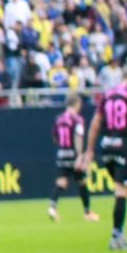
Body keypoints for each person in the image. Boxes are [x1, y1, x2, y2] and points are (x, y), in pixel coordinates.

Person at [82, 65, 127, 252]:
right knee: (122, 191)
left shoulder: (108, 94)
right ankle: (116, 235)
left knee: (122, 189)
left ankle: (119, 232)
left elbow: (95, 123)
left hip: (107, 148)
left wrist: (89, 151)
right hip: (124, 148)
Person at [48, 92, 94, 222]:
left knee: (61, 182)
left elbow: (54, 138)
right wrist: (80, 156)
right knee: (82, 182)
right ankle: (87, 212)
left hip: (62, 153)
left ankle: (52, 207)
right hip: (74, 154)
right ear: (77, 104)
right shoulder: (77, 119)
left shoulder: (58, 119)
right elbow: (78, 137)